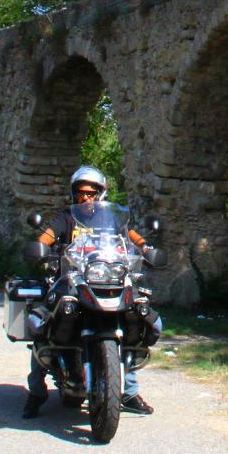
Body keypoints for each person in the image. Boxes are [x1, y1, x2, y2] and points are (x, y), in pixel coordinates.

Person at [22, 165, 157, 418]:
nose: (85, 197)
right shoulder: (66, 217)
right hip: (72, 278)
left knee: (133, 317)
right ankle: (36, 392)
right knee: (43, 323)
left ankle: (128, 392)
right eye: (80, 192)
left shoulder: (114, 219)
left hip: (108, 278)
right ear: (73, 194)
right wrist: (39, 247)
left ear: (100, 194)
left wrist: (147, 249)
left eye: (91, 193)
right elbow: (48, 237)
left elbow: (133, 237)